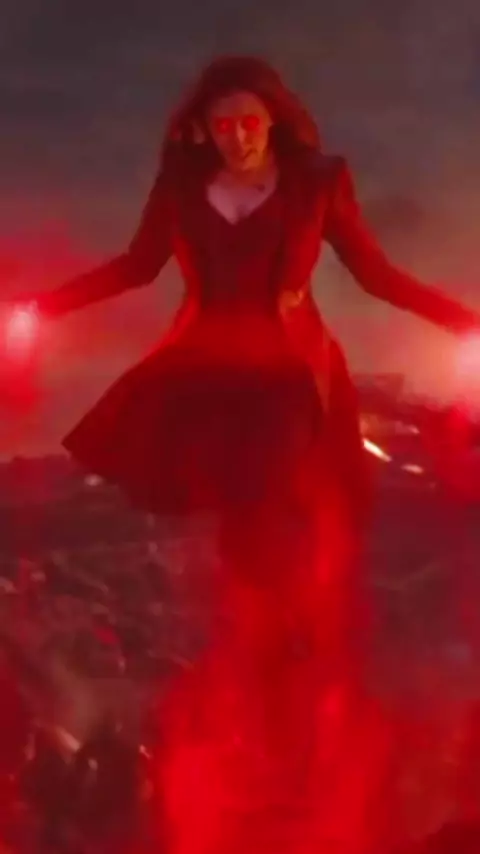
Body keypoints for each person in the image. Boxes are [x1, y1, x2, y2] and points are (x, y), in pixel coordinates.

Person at [21, 56, 479, 854]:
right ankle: (248, 733)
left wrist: (461, 319)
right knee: (246, 552)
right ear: (203, 129)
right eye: (223, 124)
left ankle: (301, 727)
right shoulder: (180, 187)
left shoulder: (318, 182)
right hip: (209, 377)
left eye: (250, 122)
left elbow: (374, 273)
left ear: (274, 122)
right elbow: (136, 268)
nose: (237, 137)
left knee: (299, 540)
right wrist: (43, 306)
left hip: (294, 380)